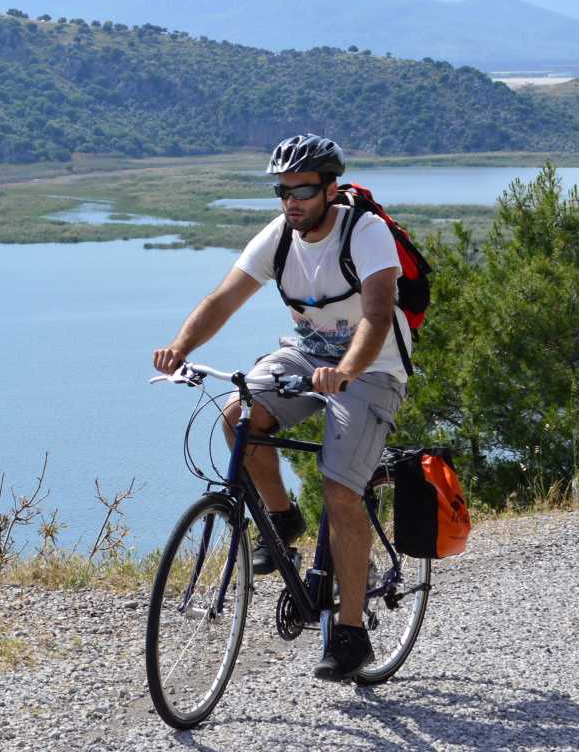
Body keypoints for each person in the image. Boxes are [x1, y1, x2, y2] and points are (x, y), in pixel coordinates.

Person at [151, 133, 411, 680]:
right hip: (306, 354)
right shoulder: (280, 238)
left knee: (342, 490)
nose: (291, 201)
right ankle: (282, 519)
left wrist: (348, 371)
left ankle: (351, 633)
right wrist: (181, 347)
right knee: (237, 415)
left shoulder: (365, 233)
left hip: (372, 366)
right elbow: (224, 297)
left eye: (303, 190)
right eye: (282, 190)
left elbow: (379, 314)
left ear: (330, 189)